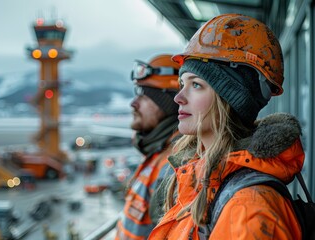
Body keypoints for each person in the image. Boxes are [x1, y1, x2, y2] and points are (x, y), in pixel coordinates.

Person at [148, 14, 305, 239]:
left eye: (196, 85)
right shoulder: (200, 180)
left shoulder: (249, 210)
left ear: (231, 98)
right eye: (182, 84)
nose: (179, 98)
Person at [115, 54, 181, 239]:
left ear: (168, 105)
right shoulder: (157, 152)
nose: (133, 103)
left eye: (145, 96)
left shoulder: (173, 166)